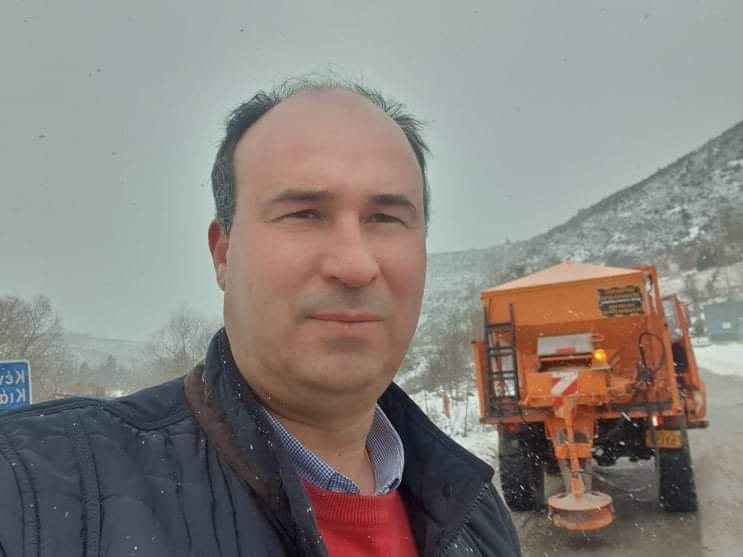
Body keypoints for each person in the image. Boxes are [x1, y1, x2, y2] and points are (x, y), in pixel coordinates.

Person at [0, 77, 521, 556]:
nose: (355, 264)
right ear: (223, 253)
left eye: (385, 217)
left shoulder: (476, 516)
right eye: (304, 214)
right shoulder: (40, 493)